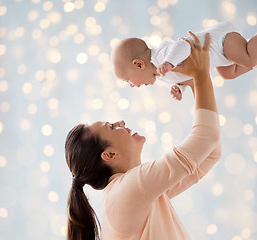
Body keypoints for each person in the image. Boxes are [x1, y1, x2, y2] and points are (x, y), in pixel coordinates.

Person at [65, 32, 221, 239]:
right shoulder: (132, 189)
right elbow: (207, 139)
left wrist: (193, 82)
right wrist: (200, 75)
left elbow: (210, 152)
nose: (120, 122)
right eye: (111, 127)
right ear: (109, 155)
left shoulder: (136, 192)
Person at [111, 17, 257, 100]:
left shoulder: (160, 57)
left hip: (221, 42)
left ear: (139, 64)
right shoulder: (160, 74)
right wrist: (180, 89)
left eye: (128, 80)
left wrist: (169, 62)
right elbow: (187, 74)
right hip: (221, 58)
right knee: (229, 74)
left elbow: (182, 46)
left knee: (248, 59)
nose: (132, 85)